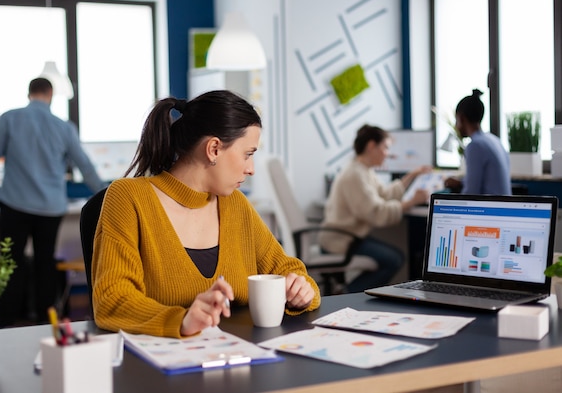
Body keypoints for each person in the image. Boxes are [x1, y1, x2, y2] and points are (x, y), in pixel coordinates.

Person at [91, 90, 321, 338]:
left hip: (239, 359)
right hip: (159, 367)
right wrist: (181, 321)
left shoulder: (235, 204)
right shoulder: (128, 197)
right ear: (213, 149)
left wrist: (300, 289)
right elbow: (112, 299)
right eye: (248, 154)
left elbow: (287, 269)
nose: (251, 169)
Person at [0, 77, 106, 328]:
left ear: (29, 94)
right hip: (50, 207)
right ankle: (44, 320)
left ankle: (6, 322)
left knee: (11, 261)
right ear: (50, 95)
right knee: (45, 262)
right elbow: (85, 165)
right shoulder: (63, 127)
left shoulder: (9, 118)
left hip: (14, 202)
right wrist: (108, 193)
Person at [319, 124, 430, 293]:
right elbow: (376, 212)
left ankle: (348, 290)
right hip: (343, 241)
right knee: (394, 259)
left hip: (349, 237)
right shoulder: (355, 175)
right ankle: (346, 294)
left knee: (393, 257)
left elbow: (384, 194)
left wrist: (412, 174)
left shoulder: (363, 170)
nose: (387, 154)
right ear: (371, 146)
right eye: (385, 147)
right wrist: (411, 202)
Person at [444, 89, 512, 195]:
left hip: (489, 209)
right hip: (502, 207)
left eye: (456, 120)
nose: (456, 126)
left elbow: (471, 193)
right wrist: (461, 183)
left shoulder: (475, 146)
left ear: (461, 118)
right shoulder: (494, 140)